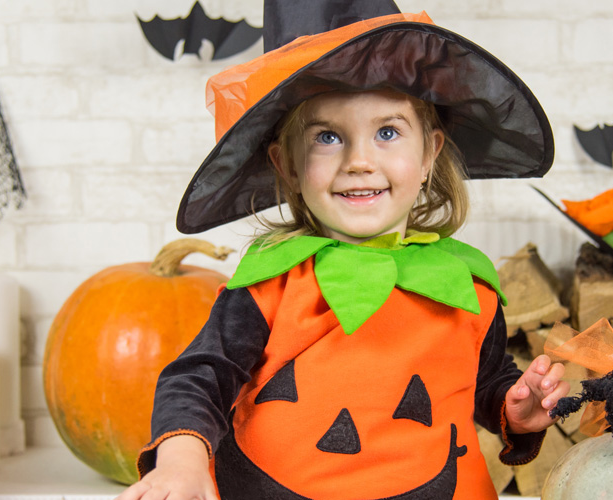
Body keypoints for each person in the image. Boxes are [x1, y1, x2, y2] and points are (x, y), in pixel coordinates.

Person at [118, 1, 565, 499]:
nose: (359, 161)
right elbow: (201, 376)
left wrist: (515, 410)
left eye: (388, 132)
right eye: (328, 137)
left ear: (429, 155)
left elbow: (486, 382)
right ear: (286, 164)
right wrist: (181, 460)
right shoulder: (270, 283)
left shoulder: (468, 286)